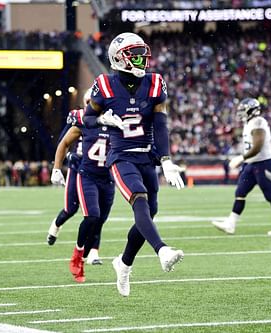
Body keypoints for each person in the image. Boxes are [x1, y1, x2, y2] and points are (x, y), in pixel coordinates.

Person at [83, 32, 185, 297]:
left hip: (147, 157)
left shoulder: (155, 83)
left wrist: (166, 160)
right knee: (139, 200)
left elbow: (161, 125)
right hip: (121, 156)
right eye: (135, 54)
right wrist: (103, 119)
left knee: (150, 211)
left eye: (143, 53)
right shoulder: (104, 84)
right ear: (119, 58)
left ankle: (124, 263)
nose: (142, 59)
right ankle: (162, 250)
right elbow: (87, 119)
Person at [51, 105, 115, 283]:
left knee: (99, 221)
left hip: (108, 178)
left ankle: (84, 253)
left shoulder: (118, 121)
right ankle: (77, 255)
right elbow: (64, 142)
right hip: (87, 175)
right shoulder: (85, 120)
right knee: (92, 216)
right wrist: (57, 168)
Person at [212, 98, 271, 236]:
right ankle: (231, 224)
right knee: (240, 192)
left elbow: (257, 146)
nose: (240, 113)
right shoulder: (249, 123)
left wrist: (241, 158)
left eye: (243, 110)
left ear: (252, 110)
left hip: (263, 163)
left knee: (270, 195)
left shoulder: (258, 122)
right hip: (251, 163)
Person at [48, 90, 103, 265]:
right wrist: (67, 159)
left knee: (96, 214)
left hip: (97, 171)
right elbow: (64, 141)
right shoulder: (78, 117)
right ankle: (55, 226)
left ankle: (93, 251)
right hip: (77, 168)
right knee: (71, 209)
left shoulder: (109, 119)